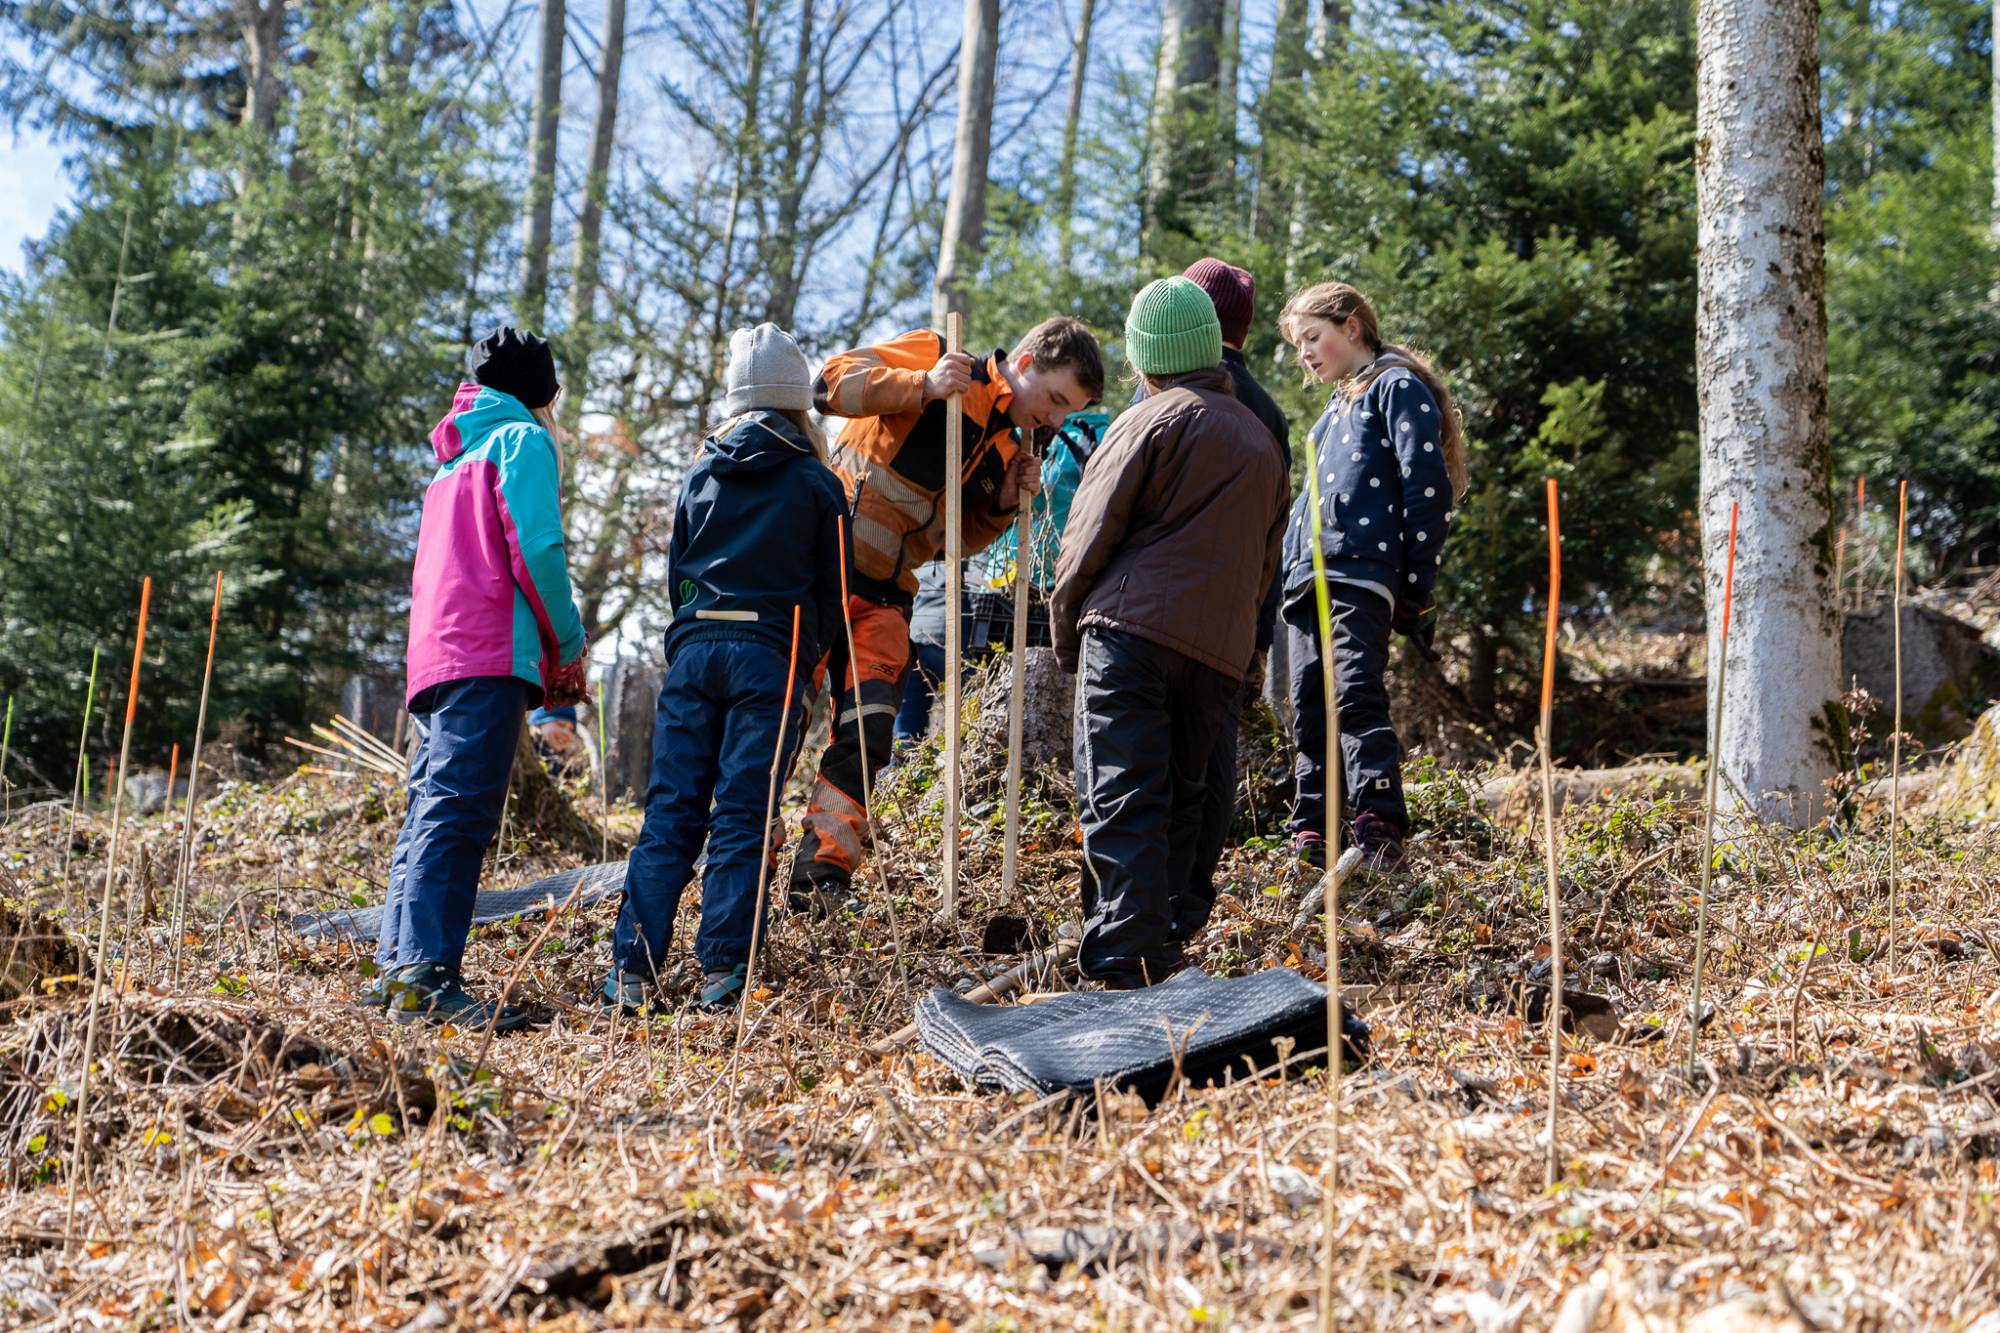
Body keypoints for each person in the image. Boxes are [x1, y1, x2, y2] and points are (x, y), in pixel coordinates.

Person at [789, 317, 1105, 913]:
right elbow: (828, 386)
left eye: (1070, 411)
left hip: (887, 595)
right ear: (1028, 362)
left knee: (869, 732)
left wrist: (1005, 504)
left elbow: (955, 543)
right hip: (815, 575)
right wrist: (923, 385)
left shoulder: (1011, 445)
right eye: (1057, 401)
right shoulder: (939, 356)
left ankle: (821, 876)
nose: (1057, 420)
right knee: (777, 727)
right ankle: (742, 859)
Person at [1052, 278, 1288, 988]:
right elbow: (1263, 565)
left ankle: (1126, 953)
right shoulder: (1260, 437)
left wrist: (1068, 635)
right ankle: (1166, 940)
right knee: (1186, 795)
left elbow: (1087, 536)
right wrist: (1243, 655)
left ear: (1145, 357)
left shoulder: (1147, 420)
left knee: (1122, 788)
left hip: (1129, 631)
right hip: (1216, 650)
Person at [603, 324, 846, 1014]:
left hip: (695, 652)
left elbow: (677, 572)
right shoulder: (817, 482)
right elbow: (833, 591)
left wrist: (688, 639)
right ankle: (724, 974)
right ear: (800, 403)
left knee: (671, 809)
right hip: (767, 658)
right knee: (742, 812)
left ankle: (630, 970)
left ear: (736, 402)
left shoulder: (700, 474)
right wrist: (805, 666)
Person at [369, 326, 589, 1030]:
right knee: (460, 812)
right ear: (541, 393)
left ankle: (399, 968)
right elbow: (537, 546)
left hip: (436, 658)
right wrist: (570, 640)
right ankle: (430, 975)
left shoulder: (452, 460)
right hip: (490, 652)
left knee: (429, 808)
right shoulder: (522, 441)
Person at [1277, 281, 1469, 872]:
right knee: (1309, 703)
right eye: (1298, 343)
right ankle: (1315, 826)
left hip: (1361, 568)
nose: (1306, 353)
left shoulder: (1395, 386)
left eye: (1314, 336)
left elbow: (1427, 487)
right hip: (1308, 573)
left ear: (1352, 326)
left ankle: (1378, 821)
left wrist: (1416, 585)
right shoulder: (1333, 409)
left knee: (1354, 690)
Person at [1174, 258, 1292, 938]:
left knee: (1149, 760)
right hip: (1234, 617)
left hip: (1154, 614)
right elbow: (1274, 528)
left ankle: (1137, 915)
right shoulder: (1269, 412)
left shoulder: (1170, 389)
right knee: (1213, 754)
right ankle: (1190, 904)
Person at [528, 704, 585, 771]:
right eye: (561, 724)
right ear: (539, 725)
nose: (567, 733)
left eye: (571, 730)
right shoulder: (518, 754)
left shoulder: (569, 772)